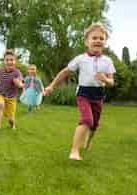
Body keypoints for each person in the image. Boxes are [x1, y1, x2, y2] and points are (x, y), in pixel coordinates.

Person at [45, 23, 116, 161]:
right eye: (94, 38)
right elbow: (65, 72)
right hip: (83, 94)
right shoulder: (81, 59)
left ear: (105, 42)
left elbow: (112, 82)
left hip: (98, 95)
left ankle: (88, 141)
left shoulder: (107, 61)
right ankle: (74, 151)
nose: (98, 40)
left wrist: (105, 80)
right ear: (86, 42)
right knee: (86, 120)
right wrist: (52, 86)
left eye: (101, 38)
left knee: (94, 125)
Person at [0, 50, 24, 133]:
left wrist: (18, 84)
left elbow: (22, 84)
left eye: (11, 60)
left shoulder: (17, 72)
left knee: (10, 119)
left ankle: (12, 123)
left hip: (11, 98)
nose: (9, 62)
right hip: (0, 93)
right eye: (7, 60)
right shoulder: (0, 71)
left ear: (15, 61)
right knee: (0, 104)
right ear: (4, 61)